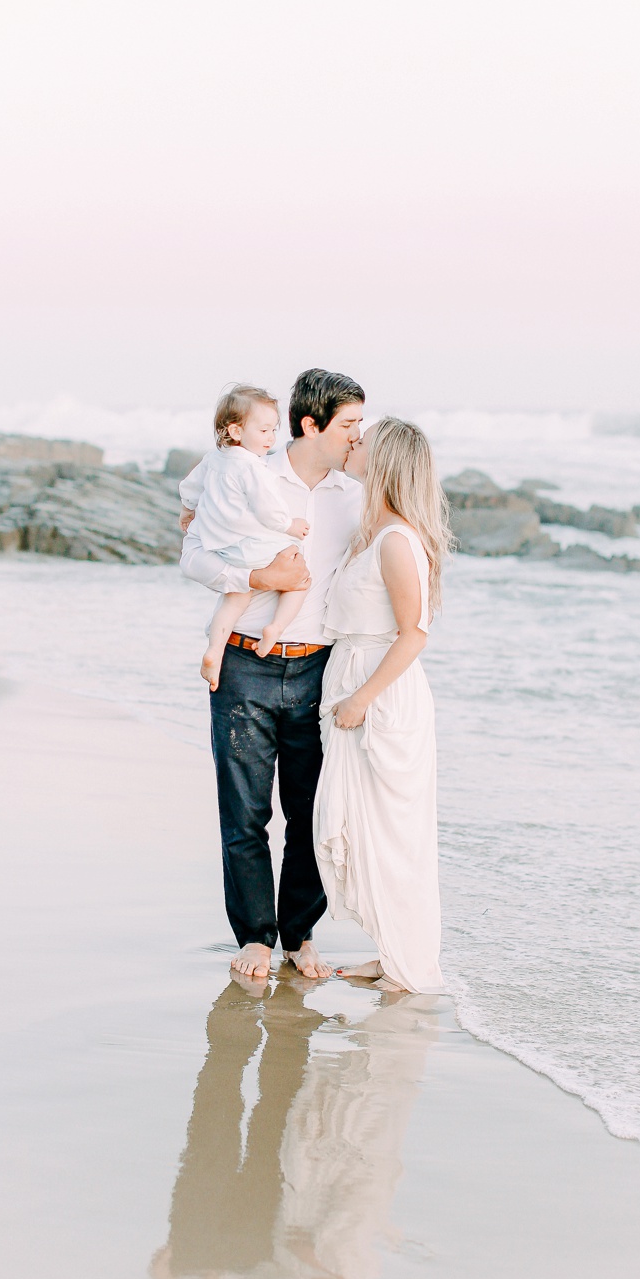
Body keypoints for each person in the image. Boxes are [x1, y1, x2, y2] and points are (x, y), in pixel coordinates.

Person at [180, 368, 365, 981]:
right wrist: (258, 580)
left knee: (312, 813)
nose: (356, 437)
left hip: (320, 670)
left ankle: (298, 935)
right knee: (245, 812)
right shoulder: (248, 473)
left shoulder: (353, 496)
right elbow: (193, 555)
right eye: (348, 425)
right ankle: (256, 936)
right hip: (243, 663)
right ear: (311, 425)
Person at [313, 417, 453, 993]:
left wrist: (361, 700)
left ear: (386, 461)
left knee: (394, 835)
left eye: (364, 440)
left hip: (380, 697)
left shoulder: (397, 542)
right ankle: (393, 952)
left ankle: (409, 966)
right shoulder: (370, 532)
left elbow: (414, 633)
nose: (354, 443)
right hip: (353, 680)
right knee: (365, 827)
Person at [179, 386, 311, 690]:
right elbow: (268, 511)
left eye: (274, 430)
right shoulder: (252, 467)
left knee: (236, 595)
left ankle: (214, 651)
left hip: (223, 548)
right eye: (264, 430)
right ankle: (275, 628)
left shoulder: (213, 459)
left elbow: (189, 488)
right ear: (236, 430)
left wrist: (187, 512)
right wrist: (291, 525)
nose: (271, 438)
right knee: (301, 576)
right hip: (252, 545)